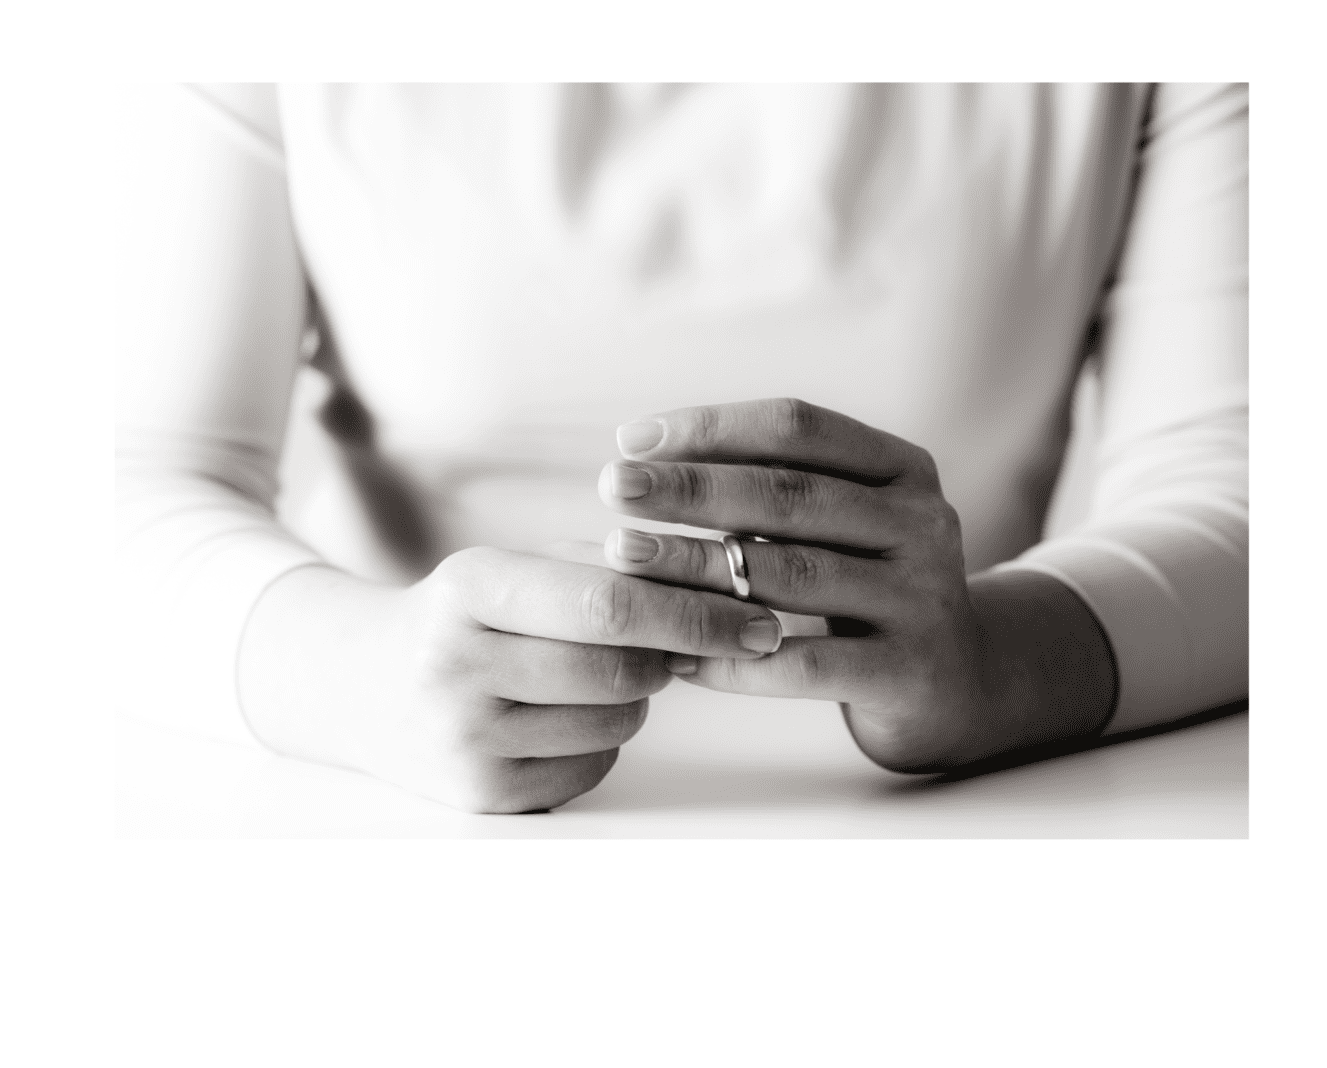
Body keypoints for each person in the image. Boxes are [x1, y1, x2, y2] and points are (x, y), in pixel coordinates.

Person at [116, 83, 1247, 813]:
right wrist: (361, 672)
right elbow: (110, 483)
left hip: (989, 822)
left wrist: (999, 664)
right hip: (364, 821)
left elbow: (1254, 489)